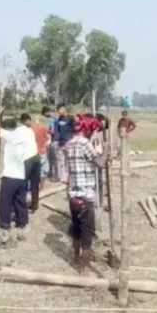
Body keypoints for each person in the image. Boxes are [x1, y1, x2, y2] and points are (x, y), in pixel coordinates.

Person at [64, 114, 108, 277]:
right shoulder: (85, 143)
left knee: (76, 228)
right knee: (86, 233)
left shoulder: (70, 143)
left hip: (73, 193)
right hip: (85, 195)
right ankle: (86, 268)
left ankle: (76, 257)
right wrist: (106, 150)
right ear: (88, 130)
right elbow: (100, 164)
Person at [0, 109, 37, 240]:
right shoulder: (28, 133)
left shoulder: (11, 136)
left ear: (8, 130)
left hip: (10, 176)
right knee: (20, 201)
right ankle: (23, 223)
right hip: (22, 175)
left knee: (5, 202)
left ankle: (4, 226)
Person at [21, 113, 48, 212]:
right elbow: (47, 138)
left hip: (29, 158)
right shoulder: (35, 129)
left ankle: (24, 202)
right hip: (38, 155)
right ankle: (34, 205)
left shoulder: (26, 131)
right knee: (35, 181)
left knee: (25, 181)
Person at [53, 103, 75, 182]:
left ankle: (70, 177)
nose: (59, 111)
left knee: (69, 160)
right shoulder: (59, 119)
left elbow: (74, 130)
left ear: (65, 109)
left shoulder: (71, 118)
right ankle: (61, 178)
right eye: (58, 110)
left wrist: (72, 140)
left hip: (69, 142)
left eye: (61, 109)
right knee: (60, 161)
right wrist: (56, 140)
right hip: (60, 143)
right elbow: (57, 131)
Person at [42, 106, 58, 180]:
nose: (49, 113)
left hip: (48, 139)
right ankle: (50, 173)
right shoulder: (49, 119)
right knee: (50, 158)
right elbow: (51, 130)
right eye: (48, 112)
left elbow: (52, 130)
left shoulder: (51, 119)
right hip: (48, 139)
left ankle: (50, 173)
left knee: (50, 158)